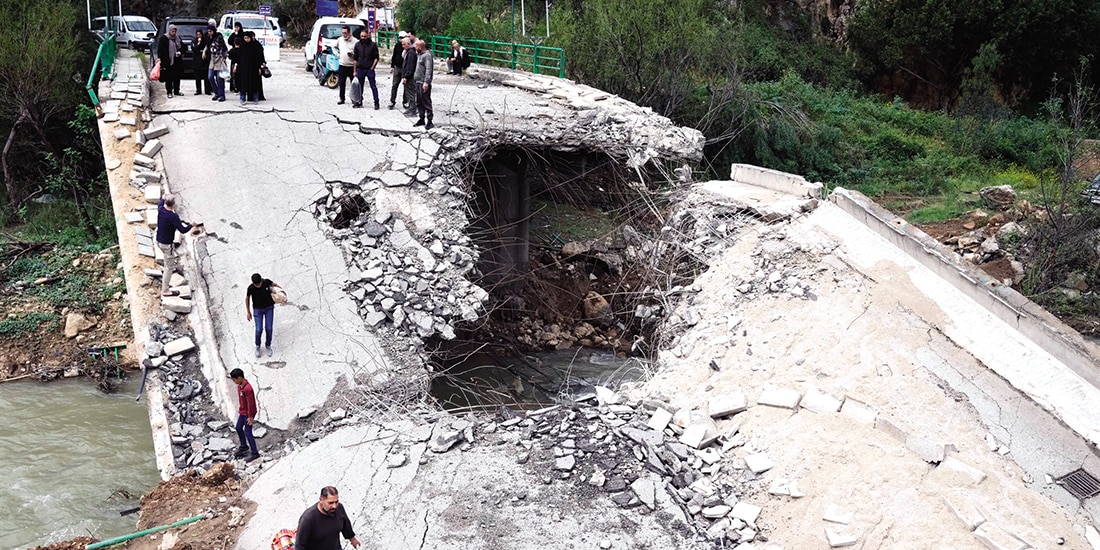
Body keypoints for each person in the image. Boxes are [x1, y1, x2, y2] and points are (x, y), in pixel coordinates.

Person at [295, 487, 360, 550]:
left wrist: (352, 539)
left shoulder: (339, 508)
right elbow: (299, 546)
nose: (334, 506)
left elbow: (346, 525)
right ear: (321, 500)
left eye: (336, 502)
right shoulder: (308, 519)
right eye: (330, 503)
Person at [156, 195, 193, 297]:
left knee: (166, 259)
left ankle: (165, 268)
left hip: (158, 241)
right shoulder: (173, 217)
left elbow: (160, 202)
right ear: (173, 204)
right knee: (169, 267)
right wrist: (191, 225)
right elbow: (183, 230)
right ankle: (165, 290)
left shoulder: (161, 209)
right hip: (167, 244)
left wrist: (163, 198)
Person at [245, 273, 282, 357]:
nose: (258, 286)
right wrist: (248, 311)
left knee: (269, 328)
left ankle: (268, 345)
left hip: (269, 308)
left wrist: (281, 292)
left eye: (259, 284)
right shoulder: (250, 288)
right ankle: (258, 345)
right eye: (256, 284)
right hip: (258, 310)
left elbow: (274, 285)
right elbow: (247, 298)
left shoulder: (266, 282)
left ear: (261, 280)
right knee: (259, 330)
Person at [229, 368, 260, 462]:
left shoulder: (247, 389)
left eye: (234, 379)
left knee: (248, 432)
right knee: (238, 427)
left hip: (248, 413)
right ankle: (244, 446)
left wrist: (250, 417)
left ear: (239, 378)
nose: (234, 382)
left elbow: (251, 404)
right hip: (243, 411)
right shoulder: (240, 386)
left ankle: (255, 453)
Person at [230, 31, 265, 105]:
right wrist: (236, 65)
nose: (246, 39)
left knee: (254, 83)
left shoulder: (255, 46)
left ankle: (255, 98)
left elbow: (258, 58)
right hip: (243, 68)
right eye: (245, 38)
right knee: (243, 83)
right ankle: (242, 98)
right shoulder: (242, 46)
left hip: (253, 68)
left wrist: (259, 67)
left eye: (248, 38)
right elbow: (238, 57)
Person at [352, 29, 380, 109]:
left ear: (368, 36)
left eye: (365, 36)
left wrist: (372, 67)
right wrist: (354, 71)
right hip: (360, 69)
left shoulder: (373, 45)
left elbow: (376, 57)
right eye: (362, 36)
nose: (363, 38)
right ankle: (359, 101)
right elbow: (355, 59)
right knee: (359, 87)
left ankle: (376, 102)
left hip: (369, 69)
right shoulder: (357, 45)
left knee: (373, 86)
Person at [203, 25, 228, 102]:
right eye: (208, 31)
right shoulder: (209, 38)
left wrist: (224, 57)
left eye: (210, 31)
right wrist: (204, 51)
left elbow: (225, 48)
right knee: (210, 77)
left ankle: (221, 95)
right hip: (212, 59)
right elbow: (207, 45)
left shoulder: (219, 37)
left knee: (219, 78)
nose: (209, 33)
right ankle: (216, 92)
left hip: (219, 59)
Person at [157, 25, 183, 98]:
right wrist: (160, 58)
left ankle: (177, 91)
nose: (174, 33)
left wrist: (180, 52)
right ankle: (169, 92)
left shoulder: (178, 38)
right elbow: (160, 49)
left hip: (177, 61)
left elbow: (183, 47)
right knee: (169, 77)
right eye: (172, 31)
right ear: (169, 31)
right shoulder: (164, 38)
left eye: (175, 31)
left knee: (177, 76)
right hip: (167, 61)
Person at [413, 39, 434, 129]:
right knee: (419, 102)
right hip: (417, 82)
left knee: (426, 101)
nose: (415, 48)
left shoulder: (427, 55)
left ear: (420, 47)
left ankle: (429, 120)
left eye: (416, 46)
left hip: (423, 82)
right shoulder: (419, 55)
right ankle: (421, 118)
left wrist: (426, 82)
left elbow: (429, 69)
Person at [334, 26, 356, 105]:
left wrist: (352, 55)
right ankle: (342, 98)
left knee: (353, 84)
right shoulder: (340, 40)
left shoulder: (355, 41)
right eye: (343, 33)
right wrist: (337, 54)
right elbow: (334, 47)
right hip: (342, 65)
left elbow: (358, 53)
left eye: (345, 33)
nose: (344, 34)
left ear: (349, 32)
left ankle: (354, 99)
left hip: (351, 66)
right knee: (341, 82)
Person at [387, 32, 408, 109]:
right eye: (400, 38)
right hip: (397, 67)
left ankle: (405, 101)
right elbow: (394, 55)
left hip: (405, 68)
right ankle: (392, 101)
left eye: (403, 37)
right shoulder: (397, 45)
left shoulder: (408, 46)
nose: (401, 39)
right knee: (395, 85)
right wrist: (392, 66)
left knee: (406, 85)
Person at [400, 38, 417, 117]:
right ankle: (411, 108)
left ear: (408, 44)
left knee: (410, 93)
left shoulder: (411, 53)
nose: (403, 46)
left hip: (410, 78)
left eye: (404, 44)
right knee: (408, 93)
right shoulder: (409, 52)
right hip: (408, 76)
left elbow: (410, 66)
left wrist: (406, 76)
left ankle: (412, 109)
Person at [192, 29, 211, 95]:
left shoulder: (206, 40)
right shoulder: (194, 41)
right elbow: (194, 49)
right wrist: (198, 43)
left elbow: (208, 48)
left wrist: (204, 52)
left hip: (204, 61)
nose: (199, 36)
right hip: (197, 61)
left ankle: (207, 90)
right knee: (197, 77)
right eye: (197, 35)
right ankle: (198, 90)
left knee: (206, 77)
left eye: (200, 34)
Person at [227, 22, 243, 92]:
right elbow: (229, 41)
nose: (236, 29)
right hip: (234, 53)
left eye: (238, 27)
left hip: (241, 52)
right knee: (233, 72)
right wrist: (234, 35)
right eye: (235, 27)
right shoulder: (233, 34)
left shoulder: (242, 34)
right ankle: (233, 87)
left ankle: (239, 86)